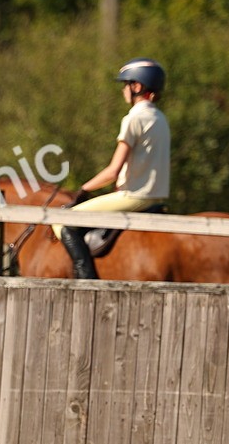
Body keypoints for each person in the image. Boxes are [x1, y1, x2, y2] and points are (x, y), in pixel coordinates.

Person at [56, 58, 170, 279]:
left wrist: (84, 189)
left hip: (134, 196)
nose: (123, 90)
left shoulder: (133, 119)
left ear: (137, 86)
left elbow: (113, 171)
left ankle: (86, 281)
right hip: (157, 198)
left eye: (126, 84)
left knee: (63, 221)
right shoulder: (161, 118)